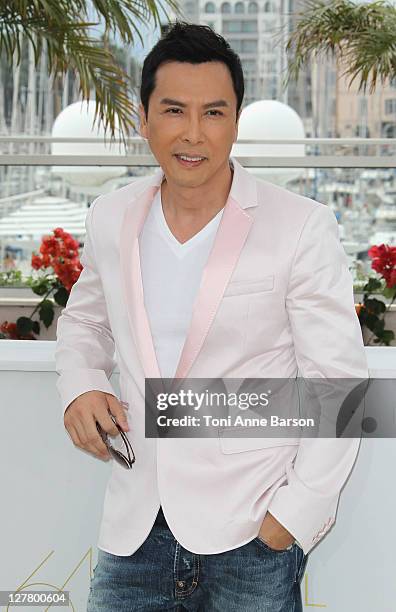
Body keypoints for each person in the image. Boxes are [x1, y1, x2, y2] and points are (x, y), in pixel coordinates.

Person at [54, 21, 369, 612]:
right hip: (133, 532)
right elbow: (84, 324)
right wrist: (80, 389)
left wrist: (290, 521)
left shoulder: (299, 227)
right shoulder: (111, 217)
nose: (193, 134)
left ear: (236, 121)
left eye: (214, 113)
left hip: (251, 533)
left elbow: (341, 387)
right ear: (144, 118)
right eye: (174, 110)